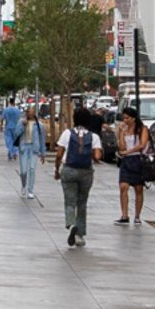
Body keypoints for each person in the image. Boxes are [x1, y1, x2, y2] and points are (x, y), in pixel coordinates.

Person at [55, 104, 100, 247]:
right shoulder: (93, 136)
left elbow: (59, 154)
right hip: (86, 172)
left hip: (69, 170)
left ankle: (71, 224)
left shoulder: (67, 133)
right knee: (82, 203)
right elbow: (97, 156)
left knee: (70, 201)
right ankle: (80, 235)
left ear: (74, 119)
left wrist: (57, 169)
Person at [115, 109, 155, 225]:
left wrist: (128, 152)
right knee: (123, 187)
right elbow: (122, 147)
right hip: (126, 161)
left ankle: (137, 216)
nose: (125, 120)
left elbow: (142, 145)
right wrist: (121, 133)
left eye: (127, 118)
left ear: (133, 118)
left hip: (138, 160)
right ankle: (124, 215)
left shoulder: (142, 129)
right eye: (124, 118)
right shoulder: (125, 130)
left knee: (138, 188)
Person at [7, 96, 40, 199]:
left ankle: (30, 190)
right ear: (26, 113)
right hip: (24, 148)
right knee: (23, 170)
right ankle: (23, 185)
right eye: (29, 112)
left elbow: (42, 138)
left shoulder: (38, 124)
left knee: (32, 169)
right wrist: (22, 126)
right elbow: (16, 134)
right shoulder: (21, 121)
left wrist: (43, 152)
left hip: (33, 148)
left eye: (32, 112)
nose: (31, 114)